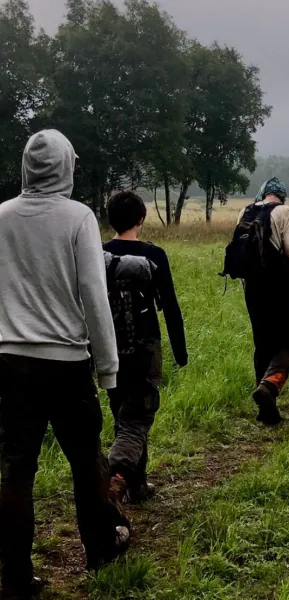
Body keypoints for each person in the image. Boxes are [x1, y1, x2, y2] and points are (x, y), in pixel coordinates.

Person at [0, 130, 130, 599]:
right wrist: (109, 369)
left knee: (16, 470)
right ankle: (98, 549)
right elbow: (94, 297)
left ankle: (14, 577)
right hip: (66, 362)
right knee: (85, 460)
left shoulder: (2, 217)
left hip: (10, 362)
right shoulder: (78, 218)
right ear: (66, 168)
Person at [103, 191, 188, 504]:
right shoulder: (153, 255)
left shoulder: (97, 253)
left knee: (123, 414)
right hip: (144, 348)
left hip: (108, 347)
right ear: (141, 219)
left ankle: (137, 486)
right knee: (137, 419)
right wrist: (180, 351)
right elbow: (171, 306)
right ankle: (114, 480)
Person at [239, 178, 289, 425]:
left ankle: (266, 412)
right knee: (288, 343)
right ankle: (269, 387)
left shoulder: (245, 211)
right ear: (282, 196)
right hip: (278, 287)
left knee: (262, 344)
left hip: (252, 288)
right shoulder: (285, 212)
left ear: (263, 193)